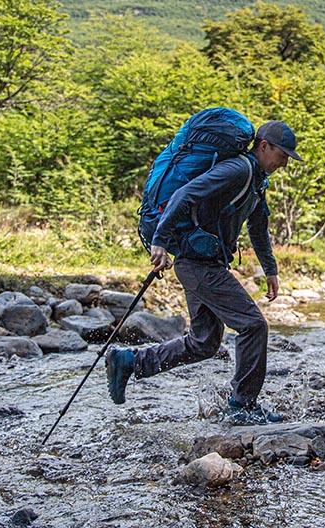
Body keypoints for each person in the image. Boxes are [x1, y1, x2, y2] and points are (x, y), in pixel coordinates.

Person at [106, 119, 302, 424]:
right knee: (253, 325)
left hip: (203, 262)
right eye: (283, 155)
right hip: (198, 264)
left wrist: (271, 270)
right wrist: (159, 241)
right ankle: (242, 406)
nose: (284, 162)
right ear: (264, 147)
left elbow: (259, 227)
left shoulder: (257, 180)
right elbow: (185, 195)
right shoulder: (238, 169)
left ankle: (129, 361)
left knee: (205, 341)